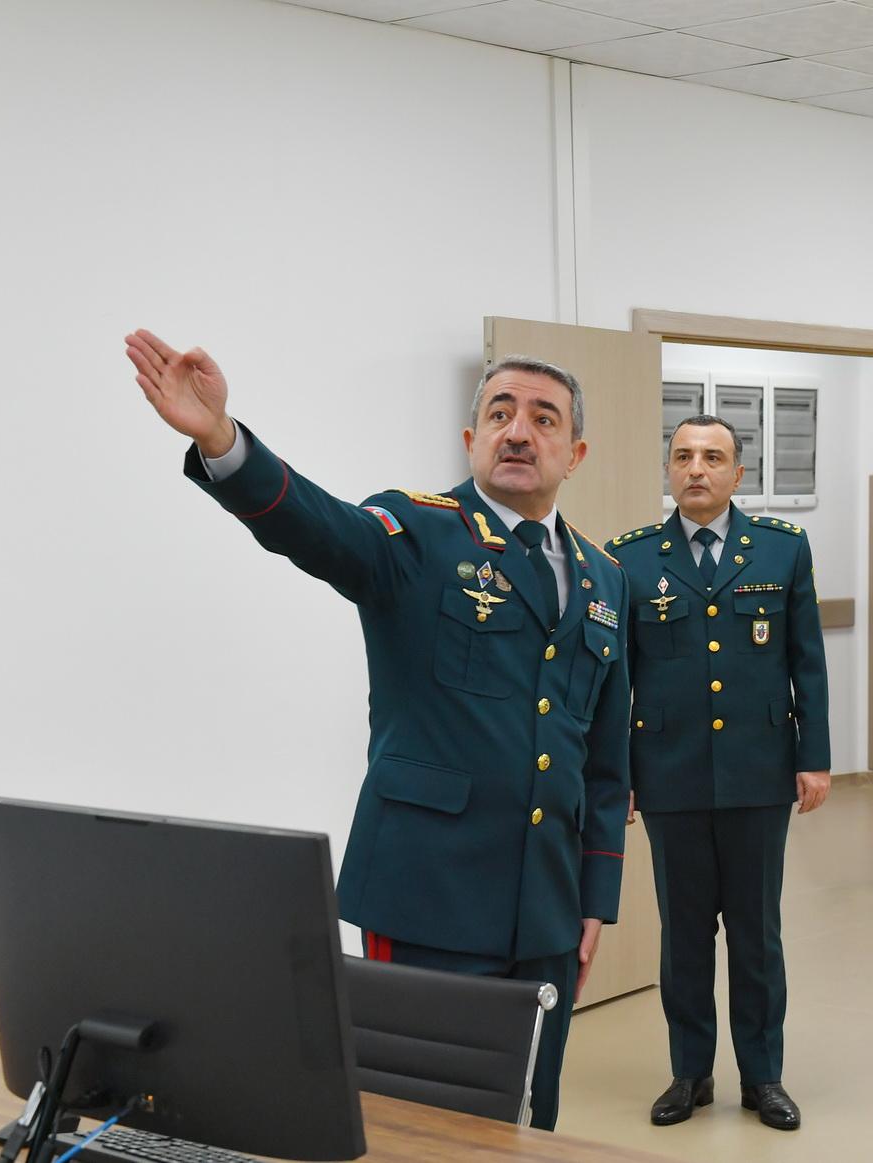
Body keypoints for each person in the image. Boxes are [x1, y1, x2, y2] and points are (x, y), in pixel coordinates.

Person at [122, 330, 630, 1131]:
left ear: (576, 452)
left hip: (548, 909)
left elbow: (605, 759)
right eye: (501, 413)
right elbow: (318, 528)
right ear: (471, 438)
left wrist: (595, 897)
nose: (519, 431)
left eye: (544, 418)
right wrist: (223, 441)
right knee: (416, 1123)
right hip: (429, 897)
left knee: (532, 1110)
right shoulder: (417, 531)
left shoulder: (607, 580)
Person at [610, 414, 831, 1133]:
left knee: (756, 933)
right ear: (668, 471)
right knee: (684, 934)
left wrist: (814, 757)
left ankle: (763, 1076)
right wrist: (619, 771)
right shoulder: (630, 560)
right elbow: (618, 680)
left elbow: (806, 662)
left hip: (758, 773)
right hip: (667, 775)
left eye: (712, 457)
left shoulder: (781, 549)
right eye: (682, 456)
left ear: (738, 474)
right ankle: (690, 1072)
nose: (696, 469)